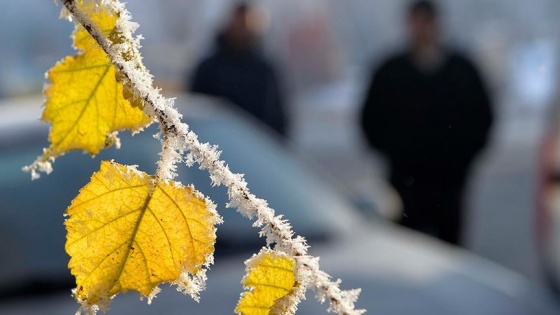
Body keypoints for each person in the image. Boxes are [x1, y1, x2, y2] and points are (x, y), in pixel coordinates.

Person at [360, 0, 493, 245]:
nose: (421, 30)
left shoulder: (462, 71)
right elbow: (370, 119)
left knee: (450, 252)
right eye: (416, 23)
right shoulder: (391, 72)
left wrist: (463, 161)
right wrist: (394, 154)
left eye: (426, 22)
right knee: (409, 251)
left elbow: (482, 119)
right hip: (405, 183)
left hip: (449, 184)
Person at [189, 3, 288, 136]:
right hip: (216, 144)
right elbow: (195, 111)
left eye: (246, 23)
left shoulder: (264, 71)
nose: (241, 28)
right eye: (238, 22)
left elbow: (277, 117)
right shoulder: (210, 68)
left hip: (255, 146)